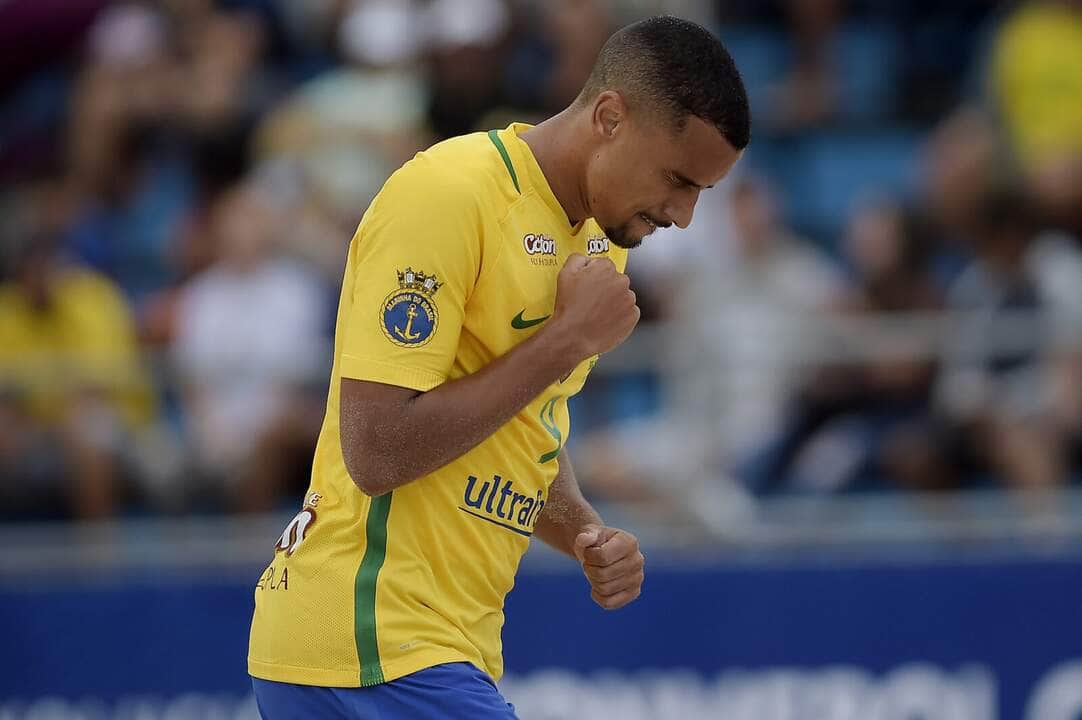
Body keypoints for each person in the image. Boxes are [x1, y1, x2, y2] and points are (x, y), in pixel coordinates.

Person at [247, 15, 749, 720]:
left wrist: (581, 530)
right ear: (610, 116)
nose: (685, 216)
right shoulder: (448, 194)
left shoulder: (601, 242)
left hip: (417, 647)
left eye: (702, 191)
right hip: (372, 635)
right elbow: (378, 449)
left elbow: (522, 428)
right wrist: (565, 341)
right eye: (677, 180)